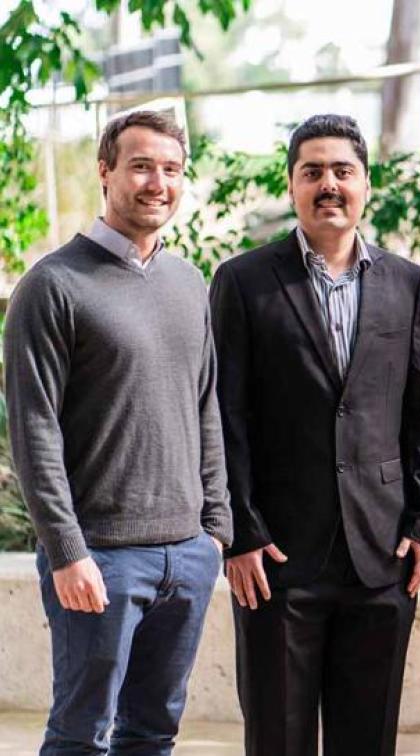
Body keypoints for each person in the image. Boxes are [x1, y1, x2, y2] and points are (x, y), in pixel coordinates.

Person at [208, 113, 420, 756]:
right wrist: (241, 535)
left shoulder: (406, 281)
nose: (328, 184)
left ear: (366, 184)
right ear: (292, 185)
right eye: (312, 172)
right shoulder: (244, 280)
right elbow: (225, 416)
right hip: (277, 558)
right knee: (278, 738)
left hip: (382, 555)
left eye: (343, 171)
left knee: (366, 739)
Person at [4, 110, 232, 754]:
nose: (156, 182)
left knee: (153, 732)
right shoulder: (53, 285)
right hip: (98, 556)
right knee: (81, 734)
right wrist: (68, 551)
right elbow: (34, 431)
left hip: (186, 555)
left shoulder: (190, 283)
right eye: (140, 166)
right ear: (105, 172)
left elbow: (206, 406)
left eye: (171, 169)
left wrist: (215, 531)